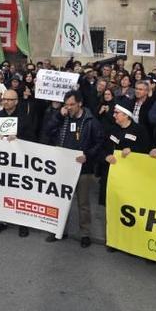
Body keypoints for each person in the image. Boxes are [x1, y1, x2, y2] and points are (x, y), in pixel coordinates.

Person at [44, 90, 105, 247]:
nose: (69, 107)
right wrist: (58, 115)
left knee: (83, 203)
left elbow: (99, 143)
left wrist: (88, 156)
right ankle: (58, 230)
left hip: (83, 169)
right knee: (60, 201)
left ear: (80, 103)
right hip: (63, 167)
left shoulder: (91, 121)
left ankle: (85, 234)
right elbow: (48, 131)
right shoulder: (63, 118)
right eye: (66, 105)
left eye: (72, 104)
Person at [0, 90, 37, 237]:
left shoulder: (24, 118)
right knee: (0, 192)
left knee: (20, 193)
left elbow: (32, 139)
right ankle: (0, 221)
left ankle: (22, 223)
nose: (6, 101)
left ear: (16, 101)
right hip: (0, 163)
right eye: (4, 99)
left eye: (9, 99)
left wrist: (18, 138)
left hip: (18, 163)